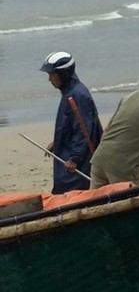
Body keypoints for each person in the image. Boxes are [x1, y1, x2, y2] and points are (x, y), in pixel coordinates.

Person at [40, 52, 103, 194]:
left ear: (63, 73)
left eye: (52, 74)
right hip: (68, 150)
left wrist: (75, 158)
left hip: (79, 158)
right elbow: (70, 124)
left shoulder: (77, 94)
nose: (49, 79)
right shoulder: (69, 92)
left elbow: (84, 129)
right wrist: (57, 141)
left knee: (71, 191)